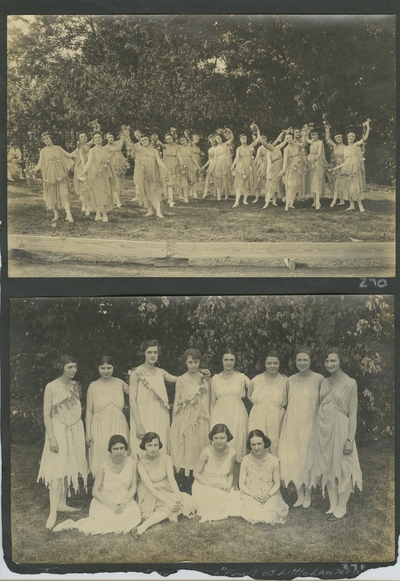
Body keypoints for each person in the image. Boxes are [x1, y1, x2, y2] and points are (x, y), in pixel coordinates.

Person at [310, 348, 362, 521]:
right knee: (328, 463)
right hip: (324, 429)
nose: (330, 364)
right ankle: (332, 504)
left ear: (341, 361)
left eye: (333, 361)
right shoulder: (324, 382)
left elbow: (353, 414)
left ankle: (342, 507)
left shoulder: (350, 383)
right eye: (327, 361)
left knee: (343, 466)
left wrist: (350, 439)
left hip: (341, 429)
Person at [37, 355, 87, 530]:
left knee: (69, 466)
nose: (73, 370)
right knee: (57, 470)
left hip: (75, 428)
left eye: (75, 367)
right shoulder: (51, 387)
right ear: (61, 368)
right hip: (58, 430)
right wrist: (51, 437)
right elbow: (46, 415)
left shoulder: (76, 385)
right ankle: (53, 512)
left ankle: (62, 503)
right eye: (69, 367)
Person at [53, 435, 141, 535]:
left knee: (130, 518)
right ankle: (71, 524)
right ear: (110, 450)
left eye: (122, 448)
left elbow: (133, 486)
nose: (119, 451)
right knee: (107, 520)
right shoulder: (104, 465)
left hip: (124, 498)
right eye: (115, 449)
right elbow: (95, 491)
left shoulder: (132, 463)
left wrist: (125, 502)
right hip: (105, 500)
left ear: (125, 448)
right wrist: (111, 505)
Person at [278, 345, 324, 508]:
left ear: (311, 361)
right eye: (299, 360)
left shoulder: (319, 379)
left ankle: (309, 494)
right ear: (295, 361)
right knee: (295, 457)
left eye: (305, 360)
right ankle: (300, 495)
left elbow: (323, 403)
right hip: (293, 424)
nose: (302, 363)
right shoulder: (289, 380)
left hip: (311, 423)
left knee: (309, 457)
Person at [134, 432, 193, 537]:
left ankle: (167, 514)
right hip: (149, 492)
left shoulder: (166, 458)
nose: (153, 449)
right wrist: (168, 501)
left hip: (165, 488)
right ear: (144, 446)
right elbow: (150, 487)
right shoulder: (141, 464)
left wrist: (179, 497)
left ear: (159, 445)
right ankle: (143, 527)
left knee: (183, 501)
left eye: (155, 445)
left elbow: (172, 480)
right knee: (170, 505)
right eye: (149, 445)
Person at [170, 349, 211, 489]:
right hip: (186, 418)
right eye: (190, 362)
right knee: (187, 449)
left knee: (201, 447)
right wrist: (175, 421)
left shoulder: (205, 377)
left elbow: (210, 400)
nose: (193, 365)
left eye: (196, 362)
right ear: (185, 363)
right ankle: (186, 482)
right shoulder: (181, 380)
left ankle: (202, 482)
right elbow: (177, 400)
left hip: (202, 418)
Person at [129, 340, 177, 457]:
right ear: (144, 354)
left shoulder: (161, 372)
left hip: (160, 416)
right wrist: (138, 425)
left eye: (155, 352)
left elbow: (182, 380)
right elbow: (132, 400)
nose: (152, 355)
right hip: (143, 416)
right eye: (149, 352)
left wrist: (198, 373)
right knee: (141, 447)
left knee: (159, 444)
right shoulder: (136, 373)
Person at [210, 348, 250, 486]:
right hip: (219, 415)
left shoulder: (242, 378)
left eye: (231, 360)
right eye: (226, 359)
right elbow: (212, 402)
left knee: (237, 447)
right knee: (220, 447)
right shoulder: (214, 379)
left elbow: (257, 388)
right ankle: (220, 483)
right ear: (222, 360)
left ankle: (235, 484)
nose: (228, 362)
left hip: (237, 414)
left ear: (235, 361)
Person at [85, 356, 130, 477]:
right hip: (100, 427)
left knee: (120, 451)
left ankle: (122, 482)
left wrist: (137, 375)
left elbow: (137, 392)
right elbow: (89, 411)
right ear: (98, 369)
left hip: (118, 424)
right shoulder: (93, 386)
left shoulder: (120, 383)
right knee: (101, 452)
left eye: (109, 367)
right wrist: (88, 433)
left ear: (113, 368)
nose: (106, 371)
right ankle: (101, 486)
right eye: (103, 368)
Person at [192, 424, 242, 522]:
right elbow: (196, 473)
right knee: (213, 501)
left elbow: (231, 472)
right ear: (212, 438)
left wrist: (228, 485)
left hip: (223, 483)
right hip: (205, 483)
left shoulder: (232, 452)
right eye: (216, 438)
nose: (219, 441)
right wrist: (212, 485)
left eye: (222, 438)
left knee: (235, 500)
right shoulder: (206, 452)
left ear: (227, 437)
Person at [239, 430, 289, 525]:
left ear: (264, 443)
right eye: (253, 445)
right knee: (253, 511)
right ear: (250, 446)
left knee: (270, 513)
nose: (256, 447)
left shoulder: (273, 461)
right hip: (250, 493)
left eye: (259, 444)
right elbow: (241, 484)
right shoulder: (246, 460)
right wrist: (253, 494)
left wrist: (268, 495)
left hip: (270, 493)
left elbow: (277, 483)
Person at [248, 349, 288, 456]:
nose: (272, 366)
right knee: (258, 445)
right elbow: (249, 396)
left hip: (277, 420)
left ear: (279, 363)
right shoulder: (256, 380)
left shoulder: (285, 381)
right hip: (258, 418)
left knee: (276, 447)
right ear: (264, 363)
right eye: (269, 363)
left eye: (275, 363)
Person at [34, 132, 75, 223]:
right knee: (51, 194)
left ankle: (69, 214)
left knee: (64, 193)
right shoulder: (43, 151)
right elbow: (40, 164)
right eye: (44, 139)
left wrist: (79, 148)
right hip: (49, 175)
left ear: (51, 138)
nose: (46, 140)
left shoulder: (58, 148)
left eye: (47, 138)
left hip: (60, 174)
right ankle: (56, 214)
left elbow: (70, 155)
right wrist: (33, 170)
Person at [333, 120, 371, 212]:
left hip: (355, 169)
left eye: (353, 136)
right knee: (349, 186)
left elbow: (365, 139)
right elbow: (346, 161)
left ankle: (360, 205)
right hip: (347, 168)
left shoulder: (356, 145)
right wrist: (337, 168)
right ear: (347, 137)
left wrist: (368, 127)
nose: (351, 137)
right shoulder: (346, 148)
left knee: (356, 186)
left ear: (354, 138)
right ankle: (351, 205)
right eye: (350, 136)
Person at [78, 131, 114, 223]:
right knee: (99, 194)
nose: (98, 139)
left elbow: (110, 160)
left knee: (105, 194)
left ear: (102, 139)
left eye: (99, 137)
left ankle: (98, 215)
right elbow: (89, 163)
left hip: (105, 175)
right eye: (95, 138)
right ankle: (104, 215)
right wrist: (82, 173)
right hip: (96, 175)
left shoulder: (106, 149)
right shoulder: (92, 150)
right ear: (93, 141)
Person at [136, 135, 168, 217]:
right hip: (143, 174)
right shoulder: (139, 151)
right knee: (146, 192)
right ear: (141, 143)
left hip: (153, 174)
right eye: (142, 140)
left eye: (145, 139)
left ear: (149, 140)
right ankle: (149, 210)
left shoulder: (154, 151)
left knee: (155, 192)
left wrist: (165, 168)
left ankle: (158, 211)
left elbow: (158, 160)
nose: (144, 141)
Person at [231, 123, 261, 207]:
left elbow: (258, 139)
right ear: (240, 140)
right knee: (240, 183)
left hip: (249, 166)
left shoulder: (250, 146)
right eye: (242, 138)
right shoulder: (238, 148)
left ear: (246, 139)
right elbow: (237, 158)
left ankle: (245, 200)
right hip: (241, 166)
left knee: (247, 183)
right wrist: (233, 165)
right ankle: (236, 201)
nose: (243, 139)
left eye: (245, 138)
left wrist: (257, 129)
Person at [103, 132, 130, 207]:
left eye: (112, 137)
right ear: (106, 138)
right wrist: (121, 140)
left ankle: (116, 199)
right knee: (115, 182)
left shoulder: (115, 143)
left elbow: (123, 139)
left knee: (119, 182)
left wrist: (124, 135)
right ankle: (117, 200)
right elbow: (118, 149)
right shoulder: (106, 147)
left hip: (120, 164)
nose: (111, 138)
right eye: (109, 137)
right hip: (113, 165)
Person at [306, 130, 330, 210]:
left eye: (315, 135)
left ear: (318, 135)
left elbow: (319, 153)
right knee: (312, 180)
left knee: (317, 180)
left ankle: (318, 202)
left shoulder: (320, 142)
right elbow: (305, 139)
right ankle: (314, 201)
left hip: (317, 161)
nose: (314, 136)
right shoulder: (311, 142)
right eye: (312, 135)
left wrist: (316, 157)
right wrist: (305, 131)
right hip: (311, 161)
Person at [71, 132, 93, 215]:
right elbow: (81, 157)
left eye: (85, 136)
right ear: (79, 139)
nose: (84, 137)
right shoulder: (79, 146)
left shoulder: (88, 144)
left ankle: (87, 205)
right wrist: (84, 169)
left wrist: (96, 128)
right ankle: (85, 205)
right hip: (82, 166)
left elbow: (94, 139)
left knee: (88, 185)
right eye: (82, 137)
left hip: (88, 165)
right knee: (83, 186)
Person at [324, 124, 346, 207]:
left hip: (342, 167)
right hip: (335, 167)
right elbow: (328, 139)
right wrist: (327, 130)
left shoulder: (345, 147)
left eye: (339, 137)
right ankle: (340, 200)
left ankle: (335, 201)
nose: (338, 139)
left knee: (340, 184)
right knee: (335, 183)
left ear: (342, 137)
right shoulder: (335, 146)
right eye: (336, 137)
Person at [159, 133, 183, 207]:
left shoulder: (176, 146)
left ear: (172, 138)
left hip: (174, 165)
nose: (169, 140)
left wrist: (182, 164)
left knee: (172, 183)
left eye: (170, 138)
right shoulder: (165, 146)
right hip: (167, 165)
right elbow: (159, 143)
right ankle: (171, 200)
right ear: (165, 140)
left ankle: (170, 199)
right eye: (167, 139)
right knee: (169, 182)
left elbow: (179, 155)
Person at [280, 132, 302, 211]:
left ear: (293, 138)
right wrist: (284, 171)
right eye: (287, 139)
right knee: (289, 186)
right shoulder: (286, 149)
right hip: (291, 168)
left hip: (298, 166)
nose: (289, 139)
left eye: (289, 137)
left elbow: (303, 145)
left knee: (295, 186)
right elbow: (285, 161)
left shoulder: (297, 145)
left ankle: (291, 203)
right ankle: (287, 204)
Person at [178, 136, 201, 203]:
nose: (183, 142)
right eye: (181, 141)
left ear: (186, 140)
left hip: (190, 163)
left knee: (191, 179)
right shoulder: (179, 148)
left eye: (184, 140)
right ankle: (183, 196)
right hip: (183, 164)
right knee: (183, 179)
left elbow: (193, 158)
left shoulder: (190, 148)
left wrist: (198, 167)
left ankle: (194, 192)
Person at [214, 128, 234, 201]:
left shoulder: (225, 144)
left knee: (225, 179)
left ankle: (226, 196)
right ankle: (219, 197)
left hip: (225, 164)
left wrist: (230, 131)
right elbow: (215, 158)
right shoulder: (215, 148)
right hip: (218, 164)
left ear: (221, 138)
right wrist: (214, 167)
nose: (218, 139)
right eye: (217, 138)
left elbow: (231, 138)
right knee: (218, 179)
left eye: (219, 137)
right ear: (215, 140)